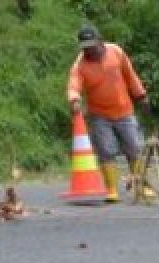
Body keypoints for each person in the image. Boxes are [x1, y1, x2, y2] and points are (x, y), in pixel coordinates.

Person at [66, 24, 154, 202]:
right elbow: (74, 85)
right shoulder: (80, 66)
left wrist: (141, 95)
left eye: (92, 45)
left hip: (125, 111)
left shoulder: (116, 52)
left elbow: (130, 75)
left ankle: (142, 186)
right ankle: (112, 190)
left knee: (135, 148)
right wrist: (74, 100)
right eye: (85, 48)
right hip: (99, 115)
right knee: (106, 151)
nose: (89, 50)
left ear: (100, 41)